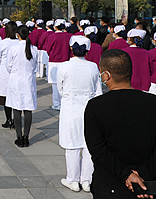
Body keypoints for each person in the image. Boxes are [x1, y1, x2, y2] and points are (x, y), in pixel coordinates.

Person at [84, 50, 156, 198]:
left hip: (110, 186)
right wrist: (144, 174)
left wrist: (126, 175)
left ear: (106, 75)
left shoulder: (96, 106)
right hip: (145, 186)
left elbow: (98, 150)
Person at [57, 35, 102, 193]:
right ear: (87, 50)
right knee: (88, 146)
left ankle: (73, 180)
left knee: (72, 147)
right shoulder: (93, 67)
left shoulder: (64, 66)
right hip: (89, 110)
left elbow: (60, 89)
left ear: (71, 48)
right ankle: (86, 180)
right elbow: (98, 91)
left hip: (70, 110)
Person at [5, 25, 38, 148]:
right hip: (28, 81)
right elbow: (34, 67)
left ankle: (19, 136)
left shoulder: (13, 48)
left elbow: (8, 66)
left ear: (17, 34)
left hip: (16, 81)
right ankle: (26, 136)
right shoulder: (34, 49)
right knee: (28, 109)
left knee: (17, 109)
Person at [0, 21, 21, 129]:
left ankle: (8, 119)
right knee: (15, 96)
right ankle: (15, 119)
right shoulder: (19, 42)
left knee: (6, 96)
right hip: (17, 70)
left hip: (5, 71)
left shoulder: (2, 43)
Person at [45, 19, 72, 111]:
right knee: (65, 83)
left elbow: (48, 49)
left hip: (54, 62)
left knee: (55, 84)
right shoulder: (68, 36)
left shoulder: (52, 36)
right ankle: (64, 102)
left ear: (55, 26)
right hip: (65, 61)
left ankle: (56, 103)